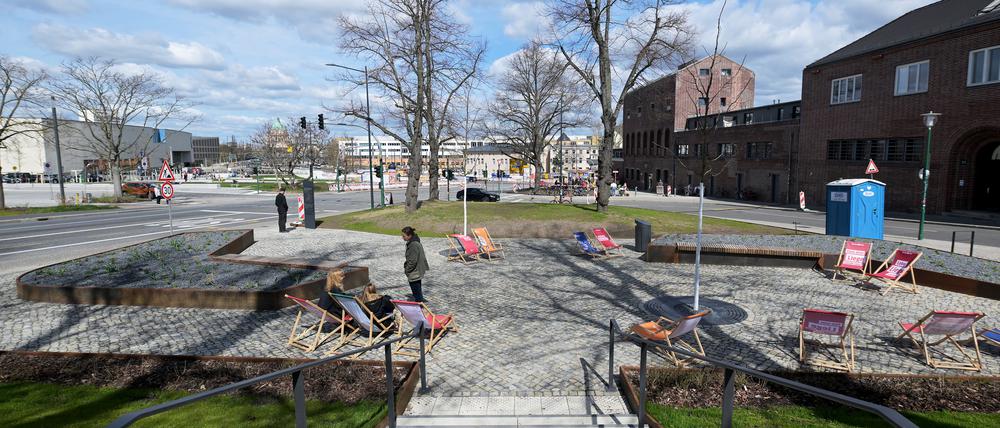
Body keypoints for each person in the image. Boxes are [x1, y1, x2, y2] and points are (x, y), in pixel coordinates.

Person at [402, 226, 429, 302]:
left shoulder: (413, 245)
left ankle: (419, 306)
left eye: (404, 236)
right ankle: (420, 302)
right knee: (417, 289)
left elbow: (412, 261)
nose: (402, 237)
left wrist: (407, 270)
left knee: (416, 293)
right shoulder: (414, 241)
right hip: (417, 270)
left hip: (415, 271)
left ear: (409, 236)